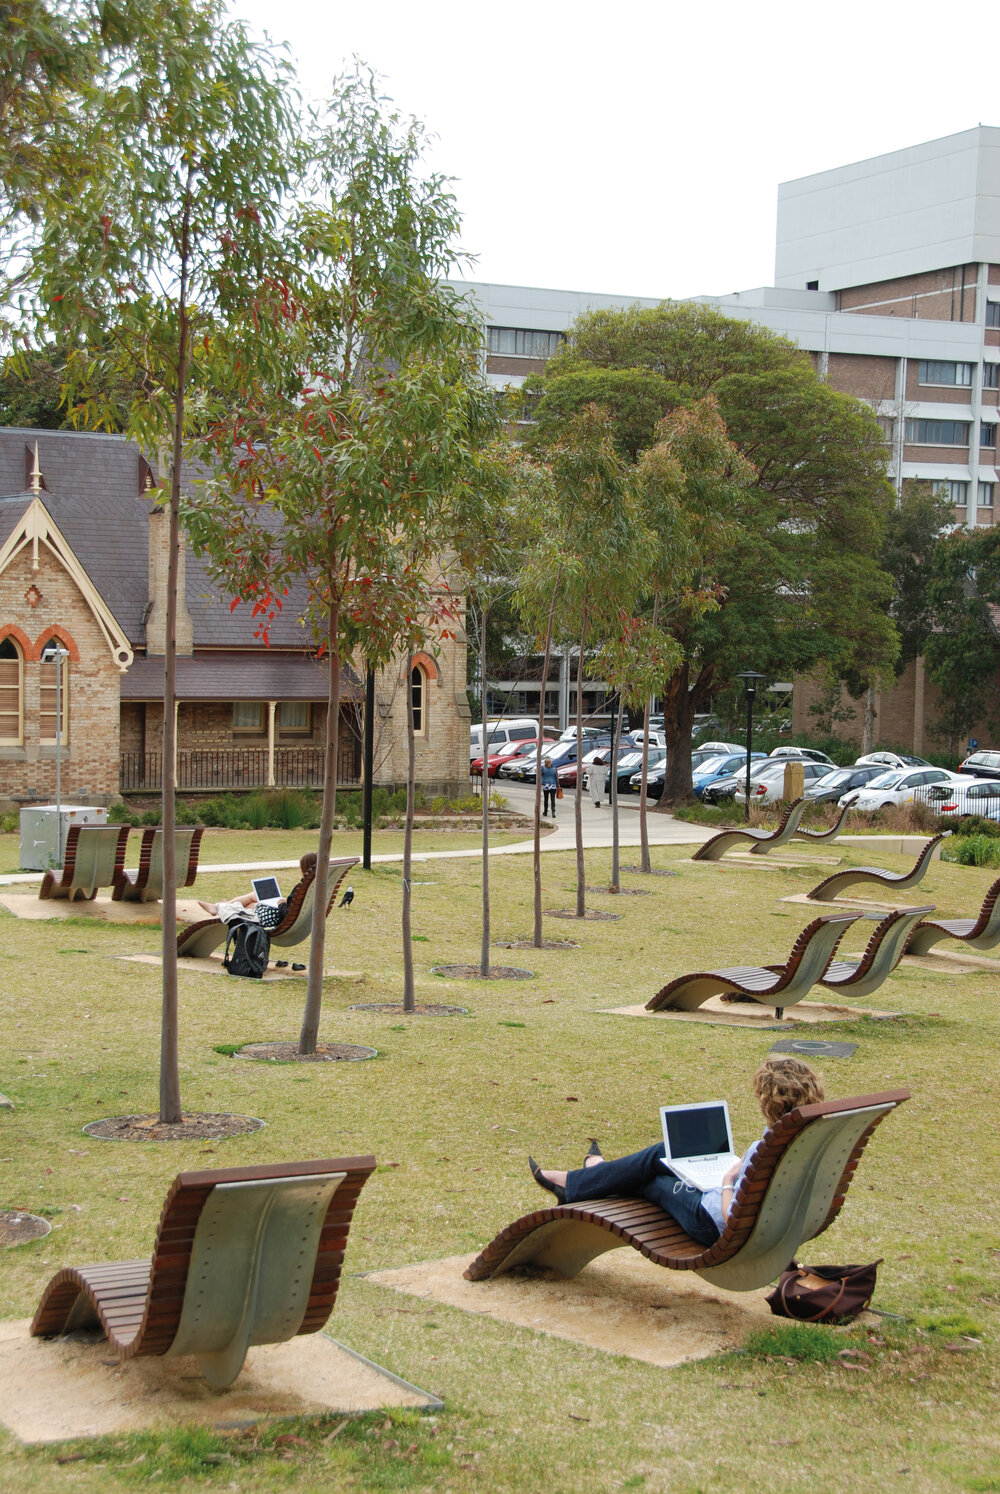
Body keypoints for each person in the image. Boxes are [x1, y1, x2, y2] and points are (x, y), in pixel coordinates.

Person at [528, 1056, 824, 1247]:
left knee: (650, 1175)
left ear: (767, 1102)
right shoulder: (810, 1139)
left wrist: (725, 1182)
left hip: (709, 1221)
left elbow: (731, 1218)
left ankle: (579, 1180)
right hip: (770, 1222)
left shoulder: (766, 1149)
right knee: (663, 1156)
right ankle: (590, 1175)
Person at [198, 852, 318, 930]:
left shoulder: (303, 886)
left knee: (252, 898)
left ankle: (220, 907)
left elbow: (286, 913)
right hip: (289, 918)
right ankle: (225, 906)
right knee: (254, 899)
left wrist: (281, 903)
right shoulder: (315, 887)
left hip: (277, 919)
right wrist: (285, 901)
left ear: (304, 869)